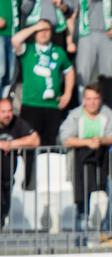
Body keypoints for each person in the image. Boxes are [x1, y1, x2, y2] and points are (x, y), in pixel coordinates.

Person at [12, 19, 75, 190]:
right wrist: (34, 26)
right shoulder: (29, 50)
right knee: (29, 146)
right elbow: (15, 40)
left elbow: (69, 72)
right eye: (40, 30)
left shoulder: (58, 52)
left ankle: (47, 184)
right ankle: (28, 183)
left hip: (52, 107)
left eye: (46, 29)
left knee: (49, 145)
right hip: (30, 105)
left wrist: (67, 94)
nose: (43, 32)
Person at [60, 83, 112, 248]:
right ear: (84, 100)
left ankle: (106, 228)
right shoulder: (75, 115)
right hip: (82, 161)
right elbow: (65, 138)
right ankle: (80, 242)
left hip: (103, 159)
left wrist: (100, 140)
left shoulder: (106, 113)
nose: (92, 102)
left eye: (96, 99)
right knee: (83, 205)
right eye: (89, 99)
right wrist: (87, 142)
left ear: (100, 99)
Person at [0, 99, 40, 229]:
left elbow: (35, 140)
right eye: (3, 112)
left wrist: (11, 144)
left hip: (8, 175)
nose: (7, 115)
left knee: (4, 206)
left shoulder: (17, 122)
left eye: (10, 111)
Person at [71, 0, 112, 88]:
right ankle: (82, 100)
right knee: (83, 74)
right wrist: (70, 41)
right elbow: (72, 14)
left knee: (109, 74)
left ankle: (108, 100)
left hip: (107, 35)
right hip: (85, 34)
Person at [0, 0, 19, 96]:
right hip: (1, 34)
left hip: (15, 36)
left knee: (10, 76)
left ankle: (4, 106)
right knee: (1, 72)